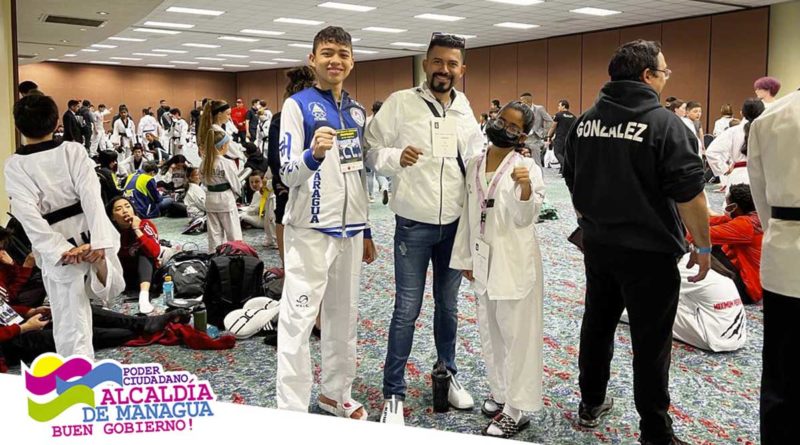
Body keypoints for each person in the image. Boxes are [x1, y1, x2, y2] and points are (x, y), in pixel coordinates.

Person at [563, 40, 710, 445]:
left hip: (599, 244)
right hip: (650, 252)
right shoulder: (666, 124)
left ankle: (591, 402)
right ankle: (655, 431)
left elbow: (572, 178)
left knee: (597, 324)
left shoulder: (585, 121)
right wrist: (704, 245)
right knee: (651, 341)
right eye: (663, 73)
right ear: (647, 77)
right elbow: (690, 194)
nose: (665, 80)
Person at [365, 32, 483, 425]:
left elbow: (477, 163)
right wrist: (396, 156)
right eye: (437, 62)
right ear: (425, 64)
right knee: (406, 309)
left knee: (448, 308)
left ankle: (446, 372)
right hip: (413, 224)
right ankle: (393, 393)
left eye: (452, 64)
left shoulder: (465, 110)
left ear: (461, 70)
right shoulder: (401, 103)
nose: (443, 70)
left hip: (454, 226)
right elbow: (370, 150)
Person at [276, 25, 376, 421]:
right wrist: (312, 156)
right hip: (310, 231)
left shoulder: (355, 110)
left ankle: (336, 393)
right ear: (312, 59)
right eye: (328, 53)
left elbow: (357, 175)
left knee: (343, 317)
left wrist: (365, 228)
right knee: (298, 319)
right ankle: (290, 408)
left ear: (352, 61)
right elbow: (286, 173)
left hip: (350, 231)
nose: (336, 60)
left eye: (344, 54)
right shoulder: (296, 106)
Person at [450, 101, 546, 438]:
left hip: (515, 260)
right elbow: (468, 213)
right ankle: (502, 393)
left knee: (517, 334)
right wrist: (465, 259)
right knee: (490, 330)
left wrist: (525, 190)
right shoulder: (475, 163)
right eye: (501, 119)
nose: (503, 126)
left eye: (513, 125)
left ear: (523, 134)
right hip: (483, 259)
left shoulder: (526, 168)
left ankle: (517, 409)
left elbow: (525, 218)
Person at [5, 94, 125, 358]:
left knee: (70, 319)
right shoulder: (73, 150)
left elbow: (27, 215)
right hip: (87, 229)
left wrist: (61, 250)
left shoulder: (15, 165)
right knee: (107, 289)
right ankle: (79, 378)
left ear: (18, 126)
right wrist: (98, 242)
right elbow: (92, 196)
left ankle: (76, 381)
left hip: (57, 242)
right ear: (56, 121)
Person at [747, 90, 800, 445]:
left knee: (783, 371)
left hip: (786, 252)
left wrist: (779, 232)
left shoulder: (773, 116)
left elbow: (759, 190)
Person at [621, 254, 746, 353]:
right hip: (736, 335)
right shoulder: (702, 262)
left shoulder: (684, 268)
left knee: (649, 311)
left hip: (714, 338)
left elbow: (649, 293)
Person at [268, 66, 316, 272]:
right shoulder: (313, 115)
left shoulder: (280, 117)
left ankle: (287, 268)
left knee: (284, 217)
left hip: (287, 180)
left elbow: (273, 157)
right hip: (307, 180)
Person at [689, 184, 763, 304]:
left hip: (750, 289)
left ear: (734, 207)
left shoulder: (745, 225)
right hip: (759, 284)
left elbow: (698, 236)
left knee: (701, 244)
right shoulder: (756, 218)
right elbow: (715, 221)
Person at [107, 196, 160, 314]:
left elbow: (155, 252)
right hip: (124, 278)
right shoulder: (110, 233)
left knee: (144, 253)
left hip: (148, 276)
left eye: (127, 206)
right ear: (112, 217)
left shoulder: (145, 224)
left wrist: (136, 229)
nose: (125, 211)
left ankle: (144, 298)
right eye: (119, 209)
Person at [705, 99, 765, 190]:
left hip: (738, 176)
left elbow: (711, 152)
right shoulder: (769, 131)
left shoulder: (733, 131)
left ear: (742, 113)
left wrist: (724, 169)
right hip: (762, 176)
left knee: (734, 204)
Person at [199, 127, 242, 252]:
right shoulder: (226, 163)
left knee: (214, 234)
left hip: (210, 198)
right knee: (233, 232)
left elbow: (202, 180)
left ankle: (215, 256)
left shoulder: (204, 163)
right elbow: (235, 183)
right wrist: (237, 195)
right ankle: (236, 253)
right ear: (223, 146)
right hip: (225, 199)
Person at [240, 170, 277, 248]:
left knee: (272, 220)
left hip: (272, 198)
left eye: (257, 181)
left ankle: (276, 240)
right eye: (251, 182)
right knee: (267, 222)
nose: (254, 184)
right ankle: (269, 239)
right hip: (267, 200)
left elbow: (254, 209)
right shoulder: (257, 192)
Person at [519, 92, 553, 166]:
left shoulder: (539, 109)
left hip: (535, 139)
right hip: (522, 139)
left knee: (536, 163)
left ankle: (539, 177)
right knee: (522, 163)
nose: (521, 102)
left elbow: (550, 121)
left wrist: (543, 132)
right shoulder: (521, 110)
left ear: (527, 100)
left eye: (522, 100)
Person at [547, 99, 577, 175]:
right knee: (564, 154)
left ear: (563, 106)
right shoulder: (573, 117)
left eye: (559, 105)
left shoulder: (558, 115)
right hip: (570, 139)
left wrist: (549, 136)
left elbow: (553, 127)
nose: (558, 107)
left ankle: (566, 167)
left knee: (557, 153)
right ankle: (562, 170)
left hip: (560, 138)